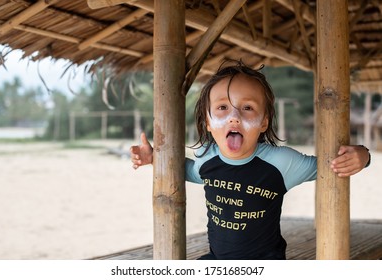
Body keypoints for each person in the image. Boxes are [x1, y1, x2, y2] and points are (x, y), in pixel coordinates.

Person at [130, 61, 371, 260]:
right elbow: (188, 171)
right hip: (217, 259)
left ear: (264, 123)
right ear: (208, 122)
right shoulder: (207, 158)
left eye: (247, 108)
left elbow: (331, 165)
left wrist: (362, 155)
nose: (234, 117)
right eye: (223, 107)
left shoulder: (282, 163)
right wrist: (155, 159)